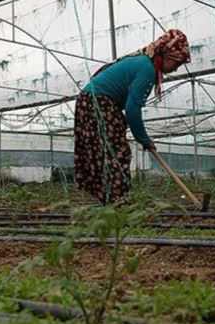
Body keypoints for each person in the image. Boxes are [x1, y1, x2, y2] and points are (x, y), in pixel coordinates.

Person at [74, 29, 191, 204]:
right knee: (117, 152)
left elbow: (129, 108)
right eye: (176, 63)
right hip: (98, 101)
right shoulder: (147, 69)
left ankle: (113, 200)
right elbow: (132, 110)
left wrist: (143, 139)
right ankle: (118, 203)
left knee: (108, 152)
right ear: (167, 56)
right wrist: (144, 139)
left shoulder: (143, 62)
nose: (175, 68)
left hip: (92, 101)